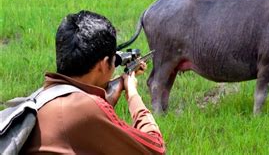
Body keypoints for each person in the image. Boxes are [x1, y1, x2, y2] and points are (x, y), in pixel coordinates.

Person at [21, 10, 165, 154]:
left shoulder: (42, 97)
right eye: (114, 61)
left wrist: (121, 83)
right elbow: (156, 148)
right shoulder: (87, 108)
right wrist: (132, 93)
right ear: (103, 65)